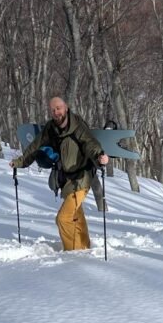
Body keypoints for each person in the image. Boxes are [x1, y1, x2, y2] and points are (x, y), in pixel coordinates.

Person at [10, 96, 109, 251]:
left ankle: (74, 253)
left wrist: (99, 157)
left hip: (82, 178)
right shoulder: (50, 128)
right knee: (76, 215)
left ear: (66, 108)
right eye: (53, 110)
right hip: (66, 179)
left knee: (63, 219)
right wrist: (20, 162)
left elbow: (91, 144)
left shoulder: (77, 126)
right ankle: (84, 246)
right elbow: (35, 147)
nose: (56, 112)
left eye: (59, 108)